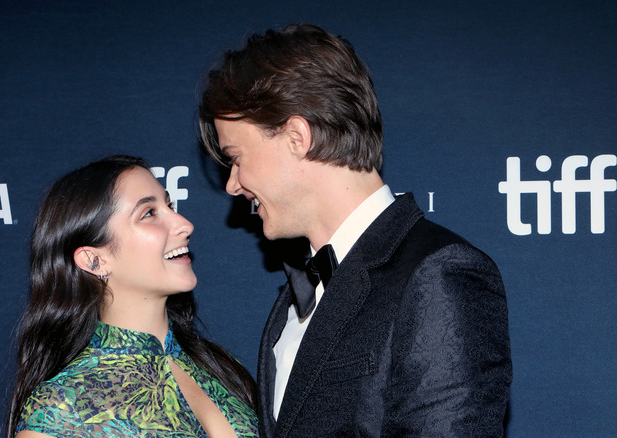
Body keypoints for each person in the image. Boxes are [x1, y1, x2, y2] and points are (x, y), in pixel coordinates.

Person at [198, 24, 512, 437]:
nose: (232, 184)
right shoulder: (289, 306)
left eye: (236, 157)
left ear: (297, 137)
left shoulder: (439, 275)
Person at [6, 156, 259, 438]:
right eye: (149, 213)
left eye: (170, 206)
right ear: (94, 260)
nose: (184, 224)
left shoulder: (223, 369)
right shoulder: (65, 405)